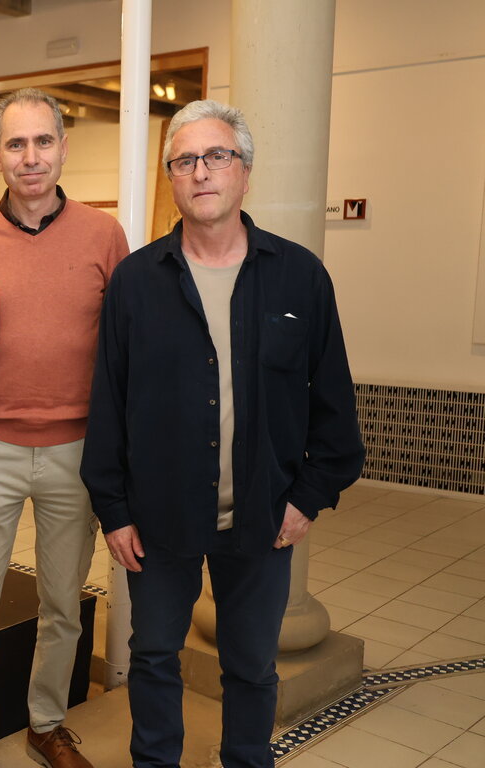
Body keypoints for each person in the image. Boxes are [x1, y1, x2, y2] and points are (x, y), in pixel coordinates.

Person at [80, 99, 365, 768]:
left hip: (263, 518)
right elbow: (108, 406)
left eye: (217, 156)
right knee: (153, 656)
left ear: (244, 171)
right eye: (184, 161)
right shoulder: (135, 283)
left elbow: (335, 410)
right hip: (157, 520)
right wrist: (113, 510)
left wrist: (307, 499)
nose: (201, 172)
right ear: (171, 179)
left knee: (252, 666)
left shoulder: (299, 276)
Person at [0, 88, 128, 768]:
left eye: (42, 141)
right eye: (16, 144)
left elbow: (124, 343)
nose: (30, 157)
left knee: (63, 603)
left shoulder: (103, 235)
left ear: (63, 148)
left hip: (75, 451)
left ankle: (47, 724)